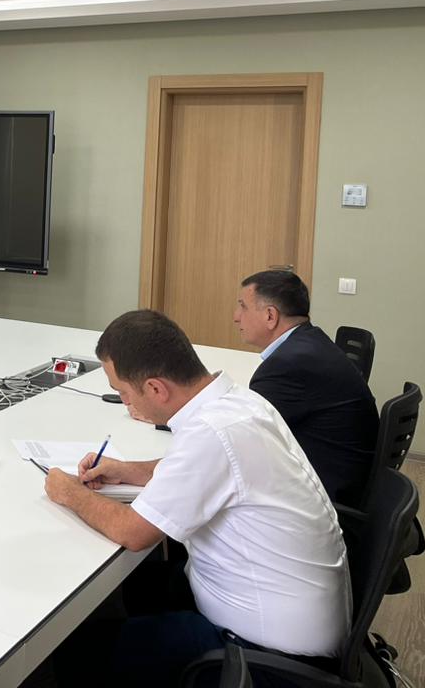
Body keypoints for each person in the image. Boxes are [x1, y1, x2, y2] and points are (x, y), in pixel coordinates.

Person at [45, 309, 349, 687]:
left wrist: (69, 492)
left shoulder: (211, 433)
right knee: (144, 586)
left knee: (77, 651)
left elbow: (133, 532)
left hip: (263, 656)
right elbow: (208, 469)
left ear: (155, 389)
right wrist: (128, 470)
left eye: (123, 392)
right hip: (289, 615)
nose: (125, 402)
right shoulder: (238, 403)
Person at [235, 269, 378, 505]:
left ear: (270, 316)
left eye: (243, 307)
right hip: (347, 476)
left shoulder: (287, 365)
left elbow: (239, 440)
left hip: (324, 497)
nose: (236, 317)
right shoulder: (309, 340)